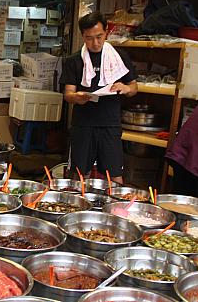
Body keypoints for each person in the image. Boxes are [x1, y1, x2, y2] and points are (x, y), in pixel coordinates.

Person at [59, 12, 138, 184]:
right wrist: (76, 97)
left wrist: (125, 88)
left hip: (110, 124)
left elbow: (134, 88)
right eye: (89, 38)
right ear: (83, 36)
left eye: (99, 37)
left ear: (106, 32)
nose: (95, 43)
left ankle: (115, 209)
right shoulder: (74, 61)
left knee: (115, 175)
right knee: (79, 175)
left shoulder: (119, 57)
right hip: (83, 125)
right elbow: (68, 94)